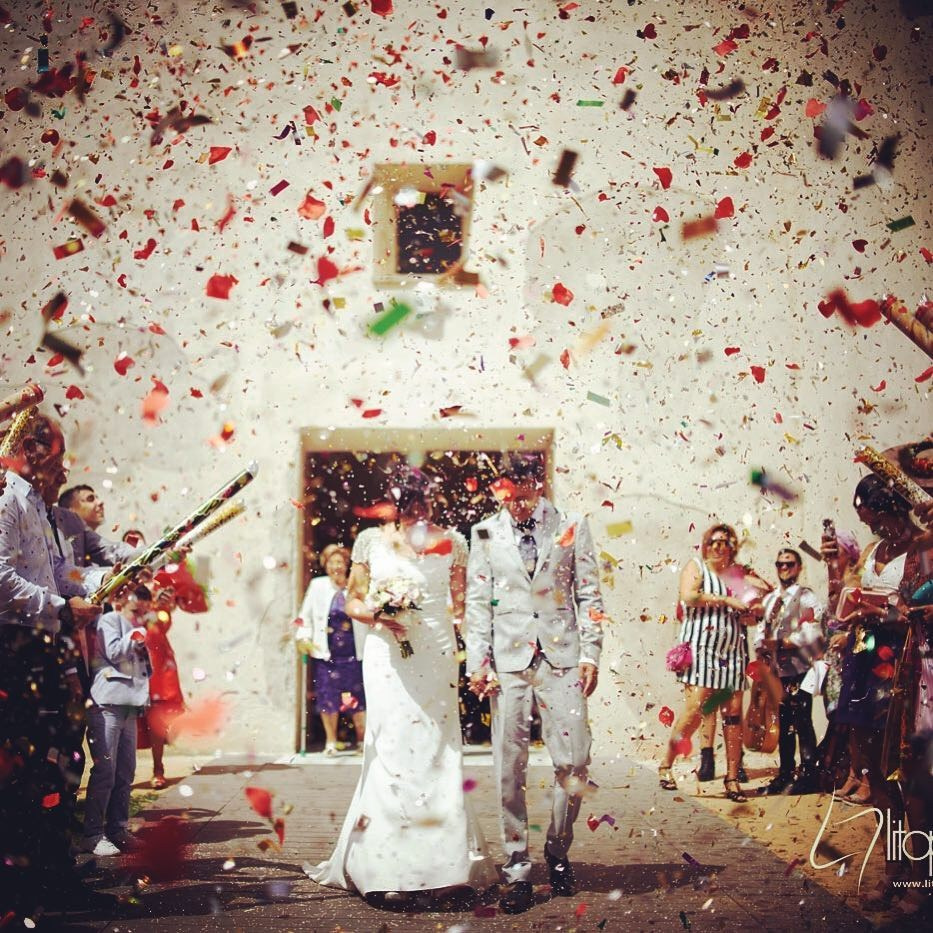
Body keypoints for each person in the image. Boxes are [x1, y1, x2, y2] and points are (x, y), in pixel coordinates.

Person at [307, 468, 496, 907]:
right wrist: (378, 613)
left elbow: (462, 607)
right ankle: (384, 867)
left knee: (438, 750)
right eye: (407, 503)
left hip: (435, 650)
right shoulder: (371, 541)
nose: (416, 511)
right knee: (390, 747)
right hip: (387, 653)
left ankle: (447, 869)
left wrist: (481, 660)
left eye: (422, 502)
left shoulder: (454, 542)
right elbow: (353, 600)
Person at [465, 454, 606, 915]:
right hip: (508, 662)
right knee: (510, 767)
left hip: (562, 658)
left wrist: (591, 652)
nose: (517, 503)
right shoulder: (484, 532)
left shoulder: (571, 524)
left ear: (537, 485)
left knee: (576, 762)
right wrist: (478, 664)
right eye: (508, 494)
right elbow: (477, 602)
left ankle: (558, 851)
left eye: (524, 493)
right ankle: (517, 866)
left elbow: (589, 593)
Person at [0, 414, 109, 914]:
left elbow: (58, 576)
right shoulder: (7, 499)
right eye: (59, 460)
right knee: (27, 768)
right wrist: (63, 608)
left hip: (47, 646)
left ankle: (54, 870)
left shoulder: (40, 510)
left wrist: (101, 583)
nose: (65, 473)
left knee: (63, 761)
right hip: (16, 649)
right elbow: (2, 580)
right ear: (31, 450)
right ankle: (29, 883)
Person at [823, 474, 931, 908]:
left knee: (910, 774)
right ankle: (894, 872)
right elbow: (843, 598)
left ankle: (922, 880)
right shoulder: (872, 552)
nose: (865, 523)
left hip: (906, 667)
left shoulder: (923, 549)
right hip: (867, 664)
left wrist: (872, 610)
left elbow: (913, 611)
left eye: (867, 513)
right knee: (875, 773)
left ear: (886, 507)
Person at [658, 523, 769, 802]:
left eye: (726, 542)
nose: (720, 547)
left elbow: (759, 604)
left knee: (733, 715)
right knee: (695, 711)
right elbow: (690, 596)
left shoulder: (736, 574)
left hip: (733, 651)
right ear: (706, 544)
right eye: (715, 542)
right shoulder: (697, 566)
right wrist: (726, 601)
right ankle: (665, 765)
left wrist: (752, 610)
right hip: (704, 649)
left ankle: (732, 778)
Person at [82, 584, 153, 856]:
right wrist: (135, 638)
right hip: (107, 703)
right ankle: (91, 834)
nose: (143, 607)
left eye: (146, 603)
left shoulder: (136, 630)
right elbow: (113, 652)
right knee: (105, 772)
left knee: (126, 771)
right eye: (138, 601)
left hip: (129, 706)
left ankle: (118, 829)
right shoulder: (110, 619)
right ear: (121, 598)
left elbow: (143, 670)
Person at [755, 549, 824, 795]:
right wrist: (761, 649)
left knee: (802, 721)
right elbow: (761, 630)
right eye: (780, 564)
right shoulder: (771, 599)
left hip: (800, 668)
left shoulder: (806, 597)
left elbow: (815, 630)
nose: (784, 569)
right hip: (777, 671)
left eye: (789, 564)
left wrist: (785, 642)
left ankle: (808, 774)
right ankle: (785, 773)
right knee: (783, 724)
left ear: (799, 567)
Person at [296, 543, 367, 755]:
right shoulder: (318, 586)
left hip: (353, 652)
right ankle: (330, 742)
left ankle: (362, 742)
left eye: (340, 562)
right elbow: (304, 617)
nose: (336, 566)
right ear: (325, 565)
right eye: (331, 562)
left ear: (346, 565)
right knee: (328, 697)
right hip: (326, 652)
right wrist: (303, 638)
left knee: (357, 698)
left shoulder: (355, 586)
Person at [138, 582, 185, 789]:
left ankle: (158, 769)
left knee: (156, 723)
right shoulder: (124, 614)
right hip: (130, 671)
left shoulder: (156, 613)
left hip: (156, 673)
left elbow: (163, 623)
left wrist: (163, 605)